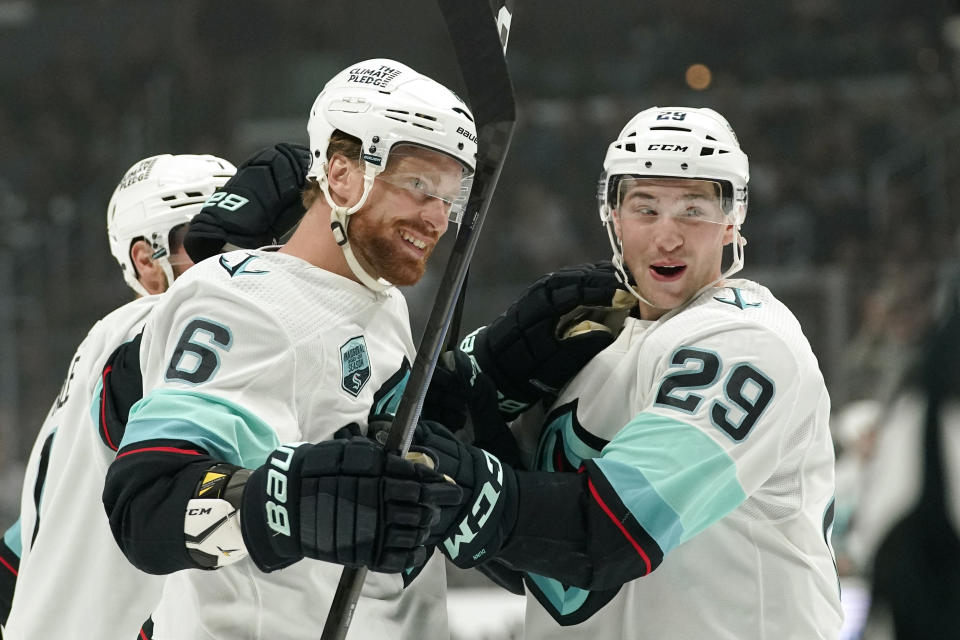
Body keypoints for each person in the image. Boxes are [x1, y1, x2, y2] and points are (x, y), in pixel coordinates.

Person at [416, 106, 844, 638]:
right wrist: (476, 403)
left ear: (732, 218)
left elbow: (608, 538)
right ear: (612, 213)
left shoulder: (745, 345)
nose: (668, 237)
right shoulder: (589, 341)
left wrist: (457, 483)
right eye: (646, 208)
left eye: (693, 209)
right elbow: (542, 565)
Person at [99, 58, 485, 640]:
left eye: (449, 196)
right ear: (342, 172)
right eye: (418, 185)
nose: (436, 217)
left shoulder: (384, 304)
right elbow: (146, 504)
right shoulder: (238, 298)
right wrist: (285, 503)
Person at [1, 153, 237, 640]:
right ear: (147, 260)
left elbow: (25, 548)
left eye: (241, 235)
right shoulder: (150, 331)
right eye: (205, 240)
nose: (233, 257)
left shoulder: (98, 349)